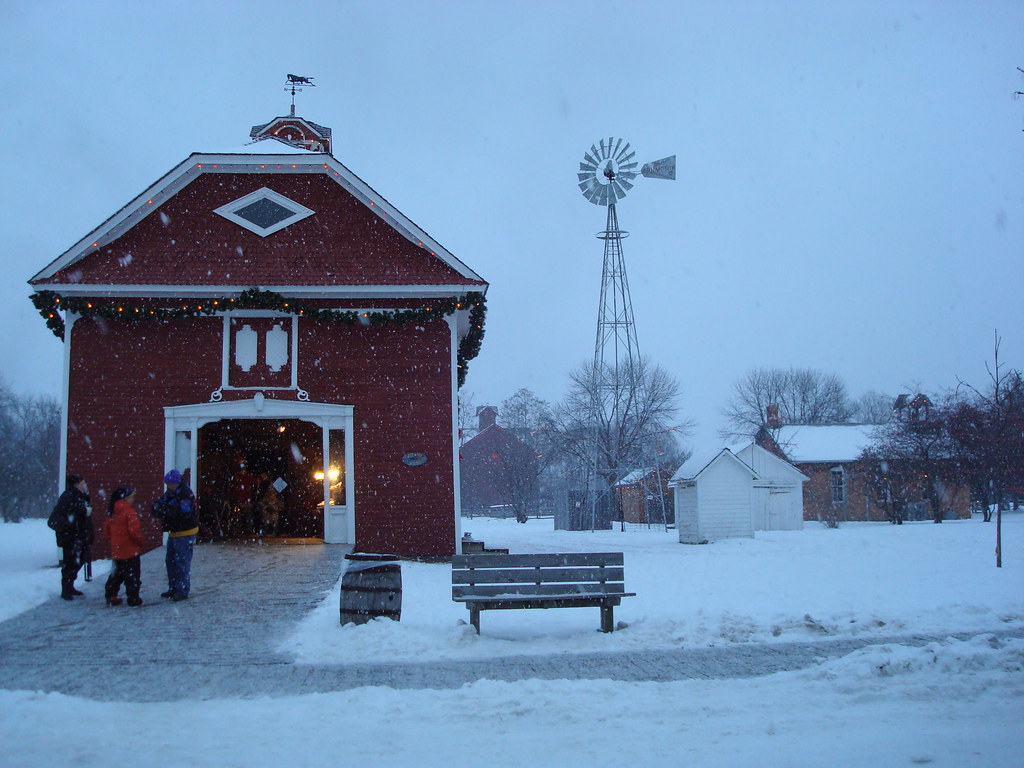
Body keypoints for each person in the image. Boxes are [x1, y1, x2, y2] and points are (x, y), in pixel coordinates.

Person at [151, 469, 198, 601]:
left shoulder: (185, 494)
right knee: (171, 561)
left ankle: (182, 590)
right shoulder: (171, 492)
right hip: (174, 531)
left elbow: (185, 514)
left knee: (182, 561)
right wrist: (158, 508)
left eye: (169, 484)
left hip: (185, 532)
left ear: (176, 483)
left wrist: (166, 511)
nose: (167, 486)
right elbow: (161, 503)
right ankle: (174, 587)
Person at [47, 474, 93, 600]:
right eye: (82, 483)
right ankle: (66, 588)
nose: (84, 485)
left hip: (78, 536)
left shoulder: (80, 496)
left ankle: (70, 585)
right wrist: (83, 512)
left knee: (79, 560)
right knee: (71, 562)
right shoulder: (69, 496)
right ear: (76, 484)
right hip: (71, 537)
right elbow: (67, 512)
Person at [102, 486, 145, 606]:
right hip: (130, 550)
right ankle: (133, 598)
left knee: (116, 574)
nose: (133, 500)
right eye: (132, 497)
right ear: (126, 498)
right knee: (132, 576)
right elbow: (134, 532)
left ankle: (111, 594)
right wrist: (141, 541)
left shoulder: (112, 511)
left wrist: (115, 541)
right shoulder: (130, 512)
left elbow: (106, 532)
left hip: (117, 550)